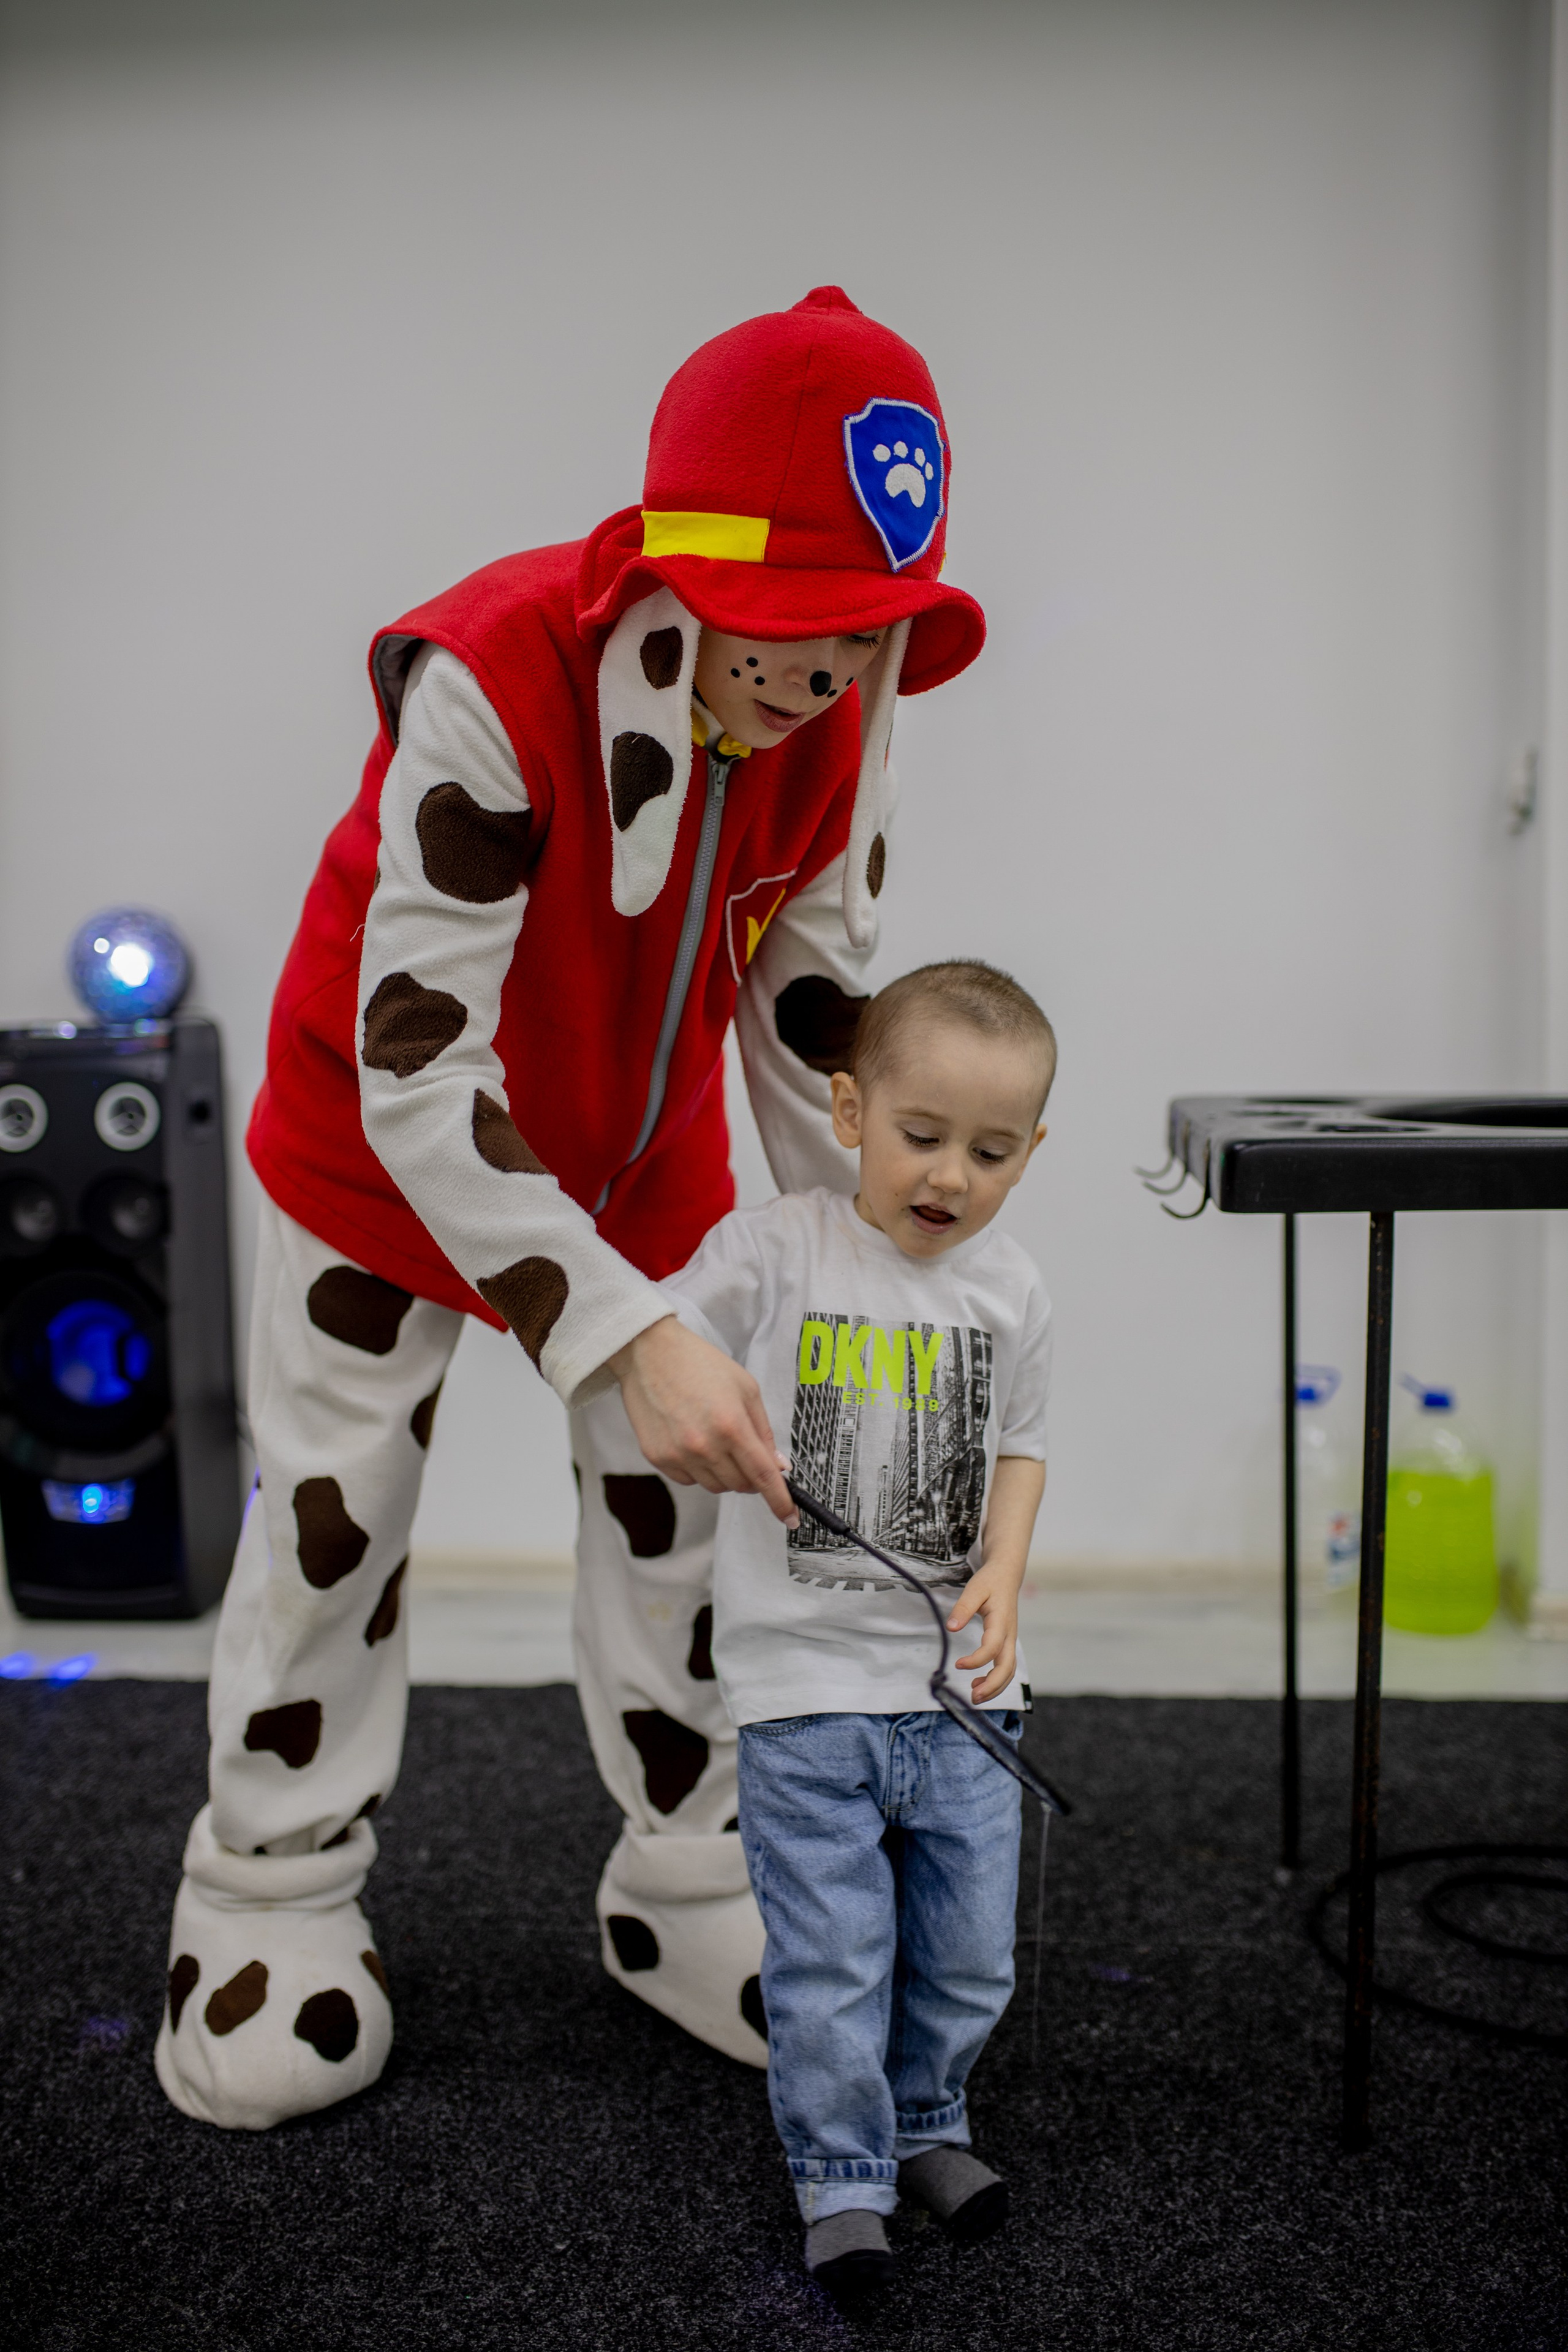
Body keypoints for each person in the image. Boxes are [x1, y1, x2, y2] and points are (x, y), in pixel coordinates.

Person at [155, 288, 987, 2130]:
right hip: (383, 1139)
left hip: (637, 1131)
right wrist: (615, 1322)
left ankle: (692, 1876)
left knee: (688, 1510)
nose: (827, 680)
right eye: (793, 634)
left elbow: (811, 1003)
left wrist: (875, 1288)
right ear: (681, 574)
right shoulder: (495, 673)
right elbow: (421, 1061)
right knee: (335, 1514)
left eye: (868, 636)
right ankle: (267, 1891)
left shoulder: (854, 696)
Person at [656, 960, 1055, 2302]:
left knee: (965, 1951)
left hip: (960, 1702)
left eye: (989, 1152)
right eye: (920, 1136)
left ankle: (929, 2121)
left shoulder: (1014, 1292)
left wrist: (1003, 1562)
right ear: (848, 1111)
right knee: (831, 1958)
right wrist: (689, 1393)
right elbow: (659, 1342)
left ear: (1029, 1154)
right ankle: (841, 2177)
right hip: (803, 1695)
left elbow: (1022, 1449)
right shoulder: (776, 1250)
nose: (948, 1175)